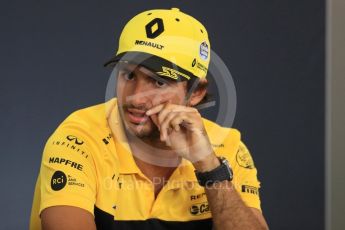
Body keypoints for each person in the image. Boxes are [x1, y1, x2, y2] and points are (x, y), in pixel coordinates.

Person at [30, 8, 268, 230]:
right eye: (129, 75)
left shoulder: (229, 148)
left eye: (159, 81)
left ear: (195, 92)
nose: (136, 98)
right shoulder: (79, 138)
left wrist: (209, 167)